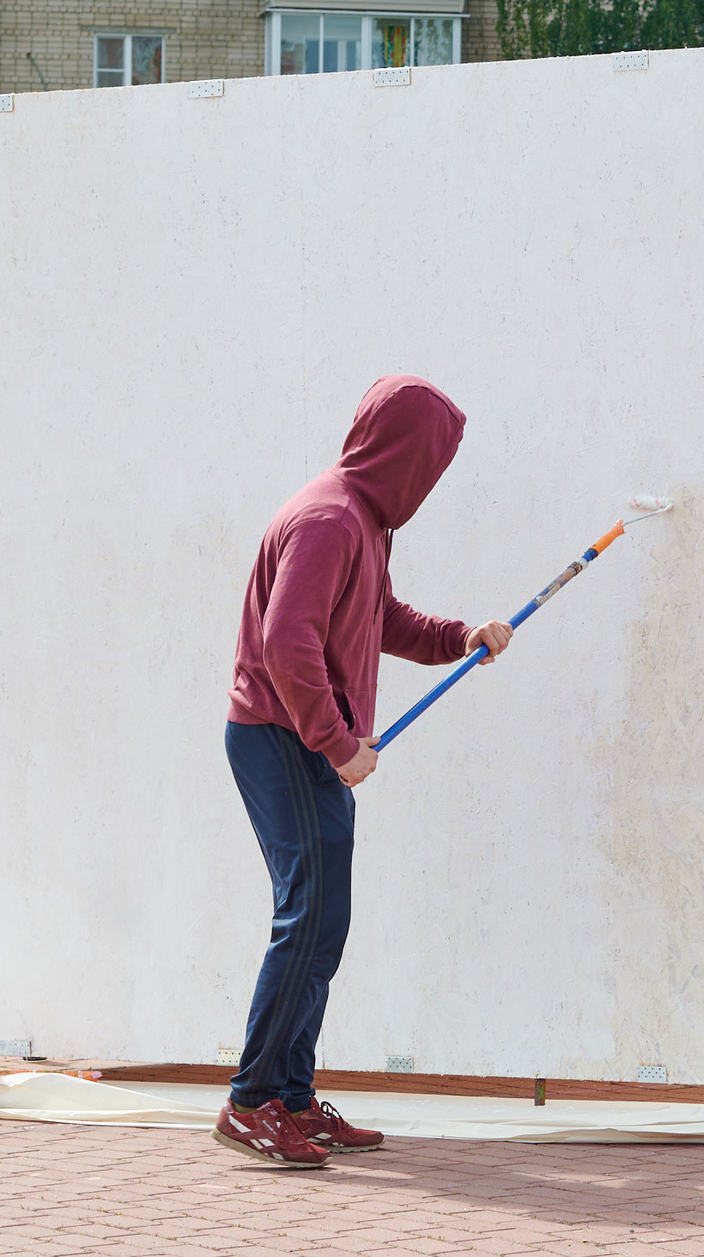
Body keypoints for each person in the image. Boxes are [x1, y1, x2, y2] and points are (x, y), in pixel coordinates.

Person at [213, 375, 515, 1168]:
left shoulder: (364, 523)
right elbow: (286, 644)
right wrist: (340, 742)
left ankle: (292, 1095)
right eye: (431, 463)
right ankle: (250, 1101)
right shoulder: (329, 518)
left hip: (302, 742)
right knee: (308, 917)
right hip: (280, 739)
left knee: (324, 924)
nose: (432, 482)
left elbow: (377, 617)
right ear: (402, 453)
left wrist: (460, 637)